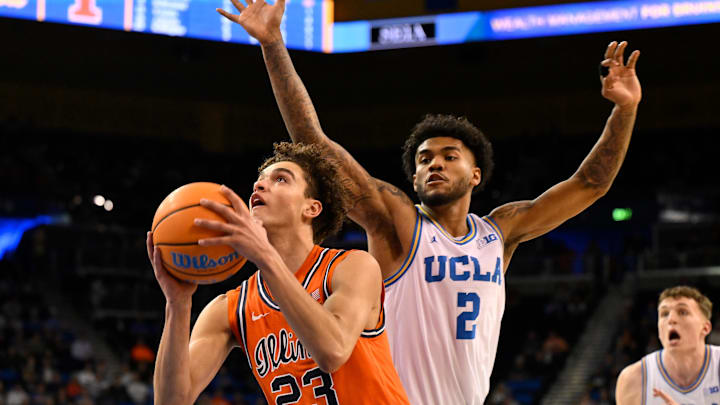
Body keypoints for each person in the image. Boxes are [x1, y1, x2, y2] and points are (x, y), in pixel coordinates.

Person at [217, 1, 642, 403]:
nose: (434, 164)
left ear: (476, 175)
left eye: (448, 157)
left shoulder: (501, 231)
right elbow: (316, 145)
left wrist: (624, 110)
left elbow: (590, 183)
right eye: (424, 160)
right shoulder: (397, 222)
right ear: (414, 177)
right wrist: (273, 46)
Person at [148, 142, 409, 404]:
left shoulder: (352, 267)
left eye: (281, 179)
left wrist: (265, 257)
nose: (258, 186)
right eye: (259, 181)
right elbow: (172, 401)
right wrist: (178, 304)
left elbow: (333, 351)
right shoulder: (231, 308)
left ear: (312, 208)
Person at [615, 286, 720, 405]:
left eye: (683, 312)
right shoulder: (633, 379)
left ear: (705, 328)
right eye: (664, 314)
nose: (671, 319)